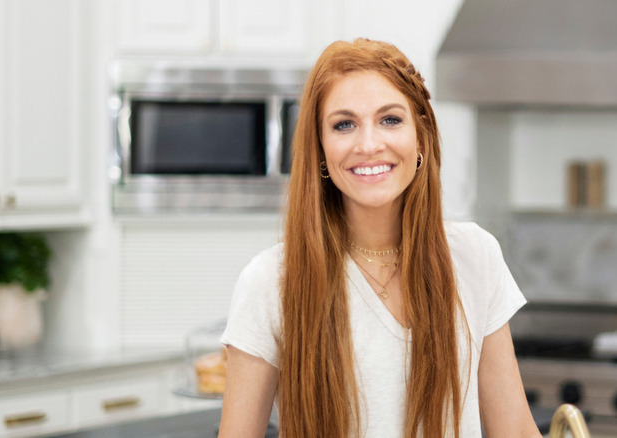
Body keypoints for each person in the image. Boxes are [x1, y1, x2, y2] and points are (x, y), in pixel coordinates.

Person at [218, 38, 542, 438]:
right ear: (320, 149)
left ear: (420, 136)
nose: (369, 144)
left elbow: (516, 432)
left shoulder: (476, 256)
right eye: (344, 124)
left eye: (390, 119)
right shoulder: (271, 281)